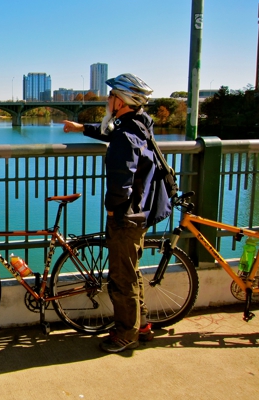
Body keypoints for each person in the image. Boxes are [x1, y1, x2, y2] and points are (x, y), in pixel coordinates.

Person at [63, 73, 171, 353]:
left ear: (121, 101)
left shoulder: (126, 134)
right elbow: (110, 132)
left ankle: (126, 334)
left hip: (127, 215)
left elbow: (122, 177)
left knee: (122, 278)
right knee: (131, 272)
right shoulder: (138, 126)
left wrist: (112, 210)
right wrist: (80, 128)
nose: (107, 100)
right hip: (141, 210)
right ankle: (142, 325)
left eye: (111, 96)